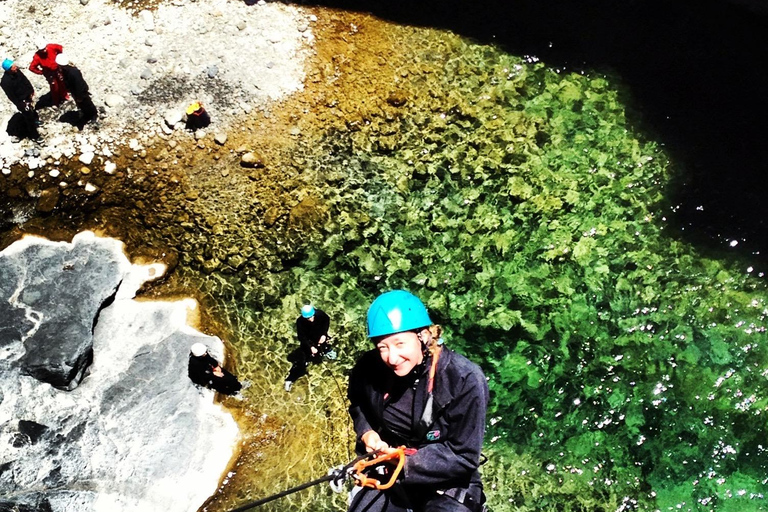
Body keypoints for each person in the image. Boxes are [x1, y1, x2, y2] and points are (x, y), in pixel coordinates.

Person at [347, 290, 489, 512]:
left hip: (445, 480)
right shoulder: (368, 368)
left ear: (423, 336)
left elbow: (464, 456)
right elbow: (358, 403)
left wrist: (404, 461)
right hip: (386, 471)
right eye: (382, 347)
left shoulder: (464, 379)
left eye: (400, 343)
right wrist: (367, 433)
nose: (391, 358)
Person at [284, 304, 332, 392]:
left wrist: (324, 334)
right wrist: (310, 347)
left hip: (320, 337)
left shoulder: (320, 314)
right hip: (308, 342)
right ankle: (289, 380)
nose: (310, 319)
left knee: (325, 348)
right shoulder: (300, 322)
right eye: (308, 318)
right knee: (302, 362)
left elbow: (327, 320)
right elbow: (301, 337)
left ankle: (327, 351)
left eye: (312, 317)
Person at [1, 58, 41, 140]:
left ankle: (35, 120)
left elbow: (25, 80)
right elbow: (11, 96)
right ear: (9, 69)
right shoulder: (5, 82)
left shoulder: (17, 72)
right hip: (21, 101)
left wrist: (31, 90)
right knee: (28, 117)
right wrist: (21, 105)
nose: (16, 67)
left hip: (27, 95)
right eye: (13, 66)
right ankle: (35, 136)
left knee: (32, 109)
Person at [55, 54, 98, 129]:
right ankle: (87, 114)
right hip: (76, 91)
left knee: (87, 103)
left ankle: (93, 114)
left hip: (80, 92)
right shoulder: (67, 70)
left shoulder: (73, 72)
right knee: (82, 104)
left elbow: (79, 85)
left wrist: (79, 96)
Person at [29, 39, 67, 106]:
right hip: (49, 74)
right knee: (54, 87)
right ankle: (56, 101)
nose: (44, 50)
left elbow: (60, 47)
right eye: (42, 50)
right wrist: (41, 72)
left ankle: (64, 95)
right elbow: (32, 67)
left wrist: (59, 57)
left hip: (57, 69)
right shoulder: (37, 57)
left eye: (44, 48)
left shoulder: (51, 47)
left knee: (62, 82)